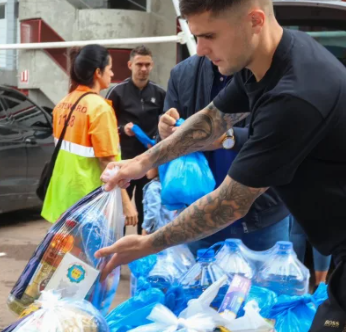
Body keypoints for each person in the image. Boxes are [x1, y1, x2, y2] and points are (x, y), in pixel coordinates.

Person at [96, 0, 346, 332]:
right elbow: (212, 118)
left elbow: (230, 204)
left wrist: (149, 243)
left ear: (255, 20)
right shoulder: (270, 60)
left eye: (209, 35)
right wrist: (141, 162)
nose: (199, 49)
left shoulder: (293, 97)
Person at [160, 54, 290, 253]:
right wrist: (165, 129)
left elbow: (283, 136)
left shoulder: (270, 70)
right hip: (201, 213)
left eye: (210, 35)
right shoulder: (182, 73)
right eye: (198, 36)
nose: (201, 47)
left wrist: (228, 138)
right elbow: (168, 133)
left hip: (262, 216)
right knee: (201, 283)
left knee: (266, 282)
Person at [43, 44, 138, 226]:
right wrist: (127, 204)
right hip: (88, 200)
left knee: (66, 253)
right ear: (97, 72)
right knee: (92, 254)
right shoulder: (99, 108)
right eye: (109, 69)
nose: (112, 74)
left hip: (62, 196)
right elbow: (107, 162)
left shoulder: (63, 103)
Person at [106, 46, 165, 234]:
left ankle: (144, 253)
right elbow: (105, 127)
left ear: (152, 65)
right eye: (139, 64)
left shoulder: (160, 93)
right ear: (130, 65)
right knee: (121, 211)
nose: (144, 69)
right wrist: (123, 129)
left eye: (147, 64)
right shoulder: (117, 92)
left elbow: (166, 126)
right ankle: (118, 250)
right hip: (125, 161)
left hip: (149, 161)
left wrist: (156, 140)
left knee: (148, 209)